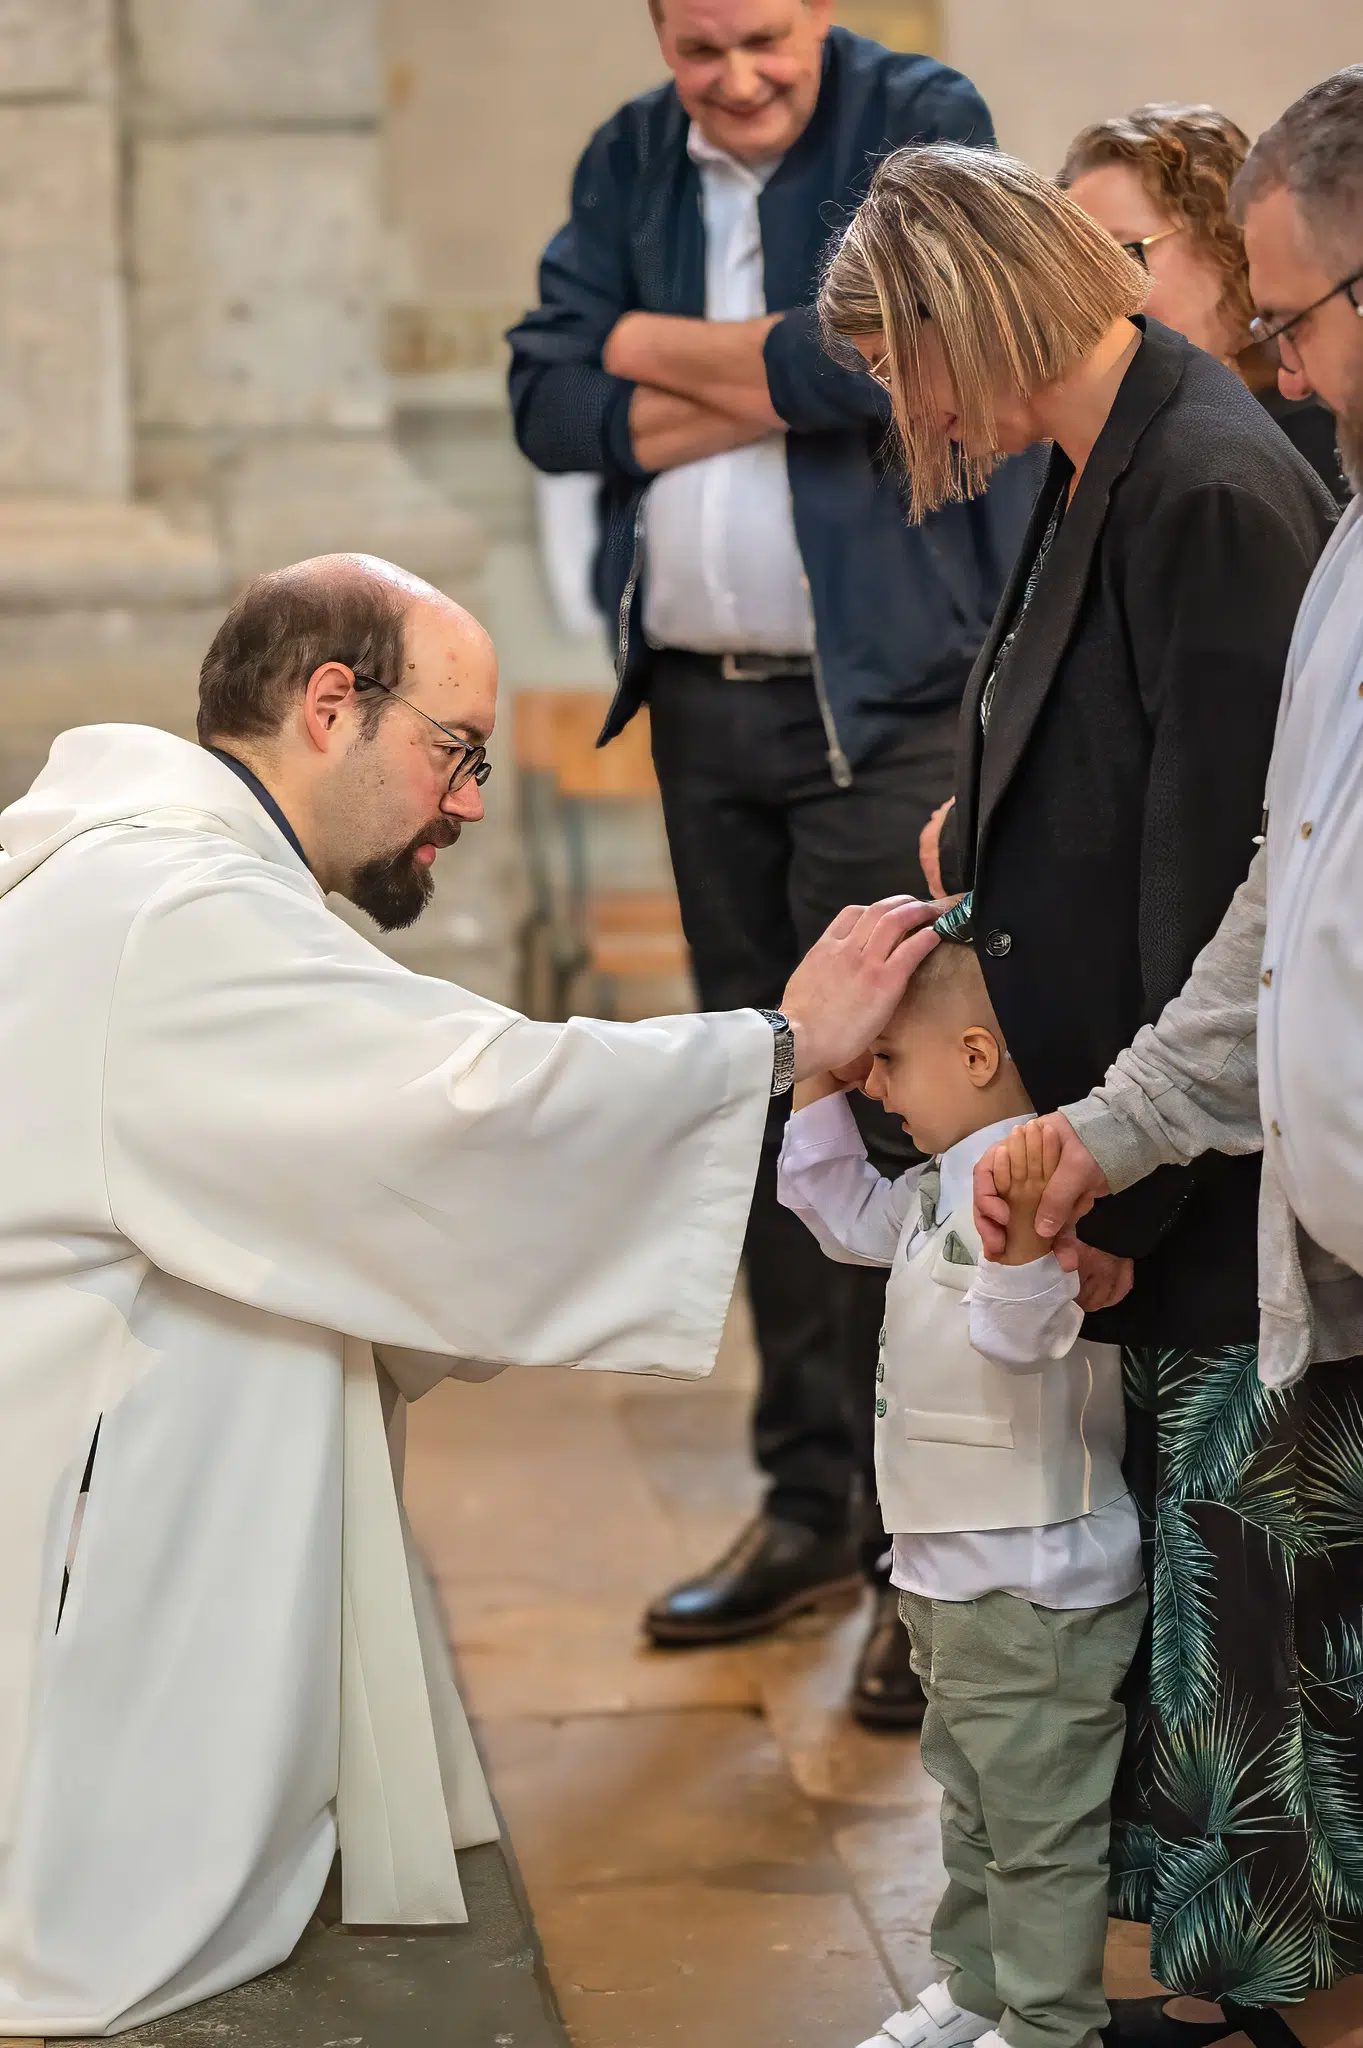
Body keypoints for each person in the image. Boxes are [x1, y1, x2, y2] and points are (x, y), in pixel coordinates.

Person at [0, 550, 942, 2037]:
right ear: (330, 706)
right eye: (456, 751)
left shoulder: (152, 867)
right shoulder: (173, 906)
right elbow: (463, 1105)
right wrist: (778, 1045)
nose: (471, 802)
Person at [819, 138, 1339, 2045]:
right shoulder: (1095, 458)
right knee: (1183, 1649)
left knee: (1244, 1651)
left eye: (899, 361)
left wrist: (1122, 1182)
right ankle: (1199, 1996)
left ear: (962, 310)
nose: (904, 409)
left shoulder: (1201, 478)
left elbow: (1230, 875)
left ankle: (1260, 2006)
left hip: (1205, 1169)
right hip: (1123, 1141)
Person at [507, 0, 1039, 1727]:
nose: (733, 79)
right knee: (758, 1100)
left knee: (901, 1108)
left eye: (761, 40)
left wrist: (646, 351)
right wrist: (757, 373)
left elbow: (871, 364)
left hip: (883, 710)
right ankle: (810, 1504)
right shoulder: (627, 156)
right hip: (700, 712)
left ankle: (916, 1547)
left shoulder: (917, 109)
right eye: (698, 48)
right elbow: (542, 401)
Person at [974, 66, 1363, 2048]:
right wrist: (1106, 1133)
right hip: (1299, 1211)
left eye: (1294, 317)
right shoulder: (1340, 540)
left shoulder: (1222, 486)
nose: (1277, 366)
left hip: (1287, 1230)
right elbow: (1273, 906)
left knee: (1282, 1660)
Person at [779, 908, 1145, 2048]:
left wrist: (1026, 1249)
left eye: (888, 1058)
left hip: (1031, 1577)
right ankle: (979, 1986)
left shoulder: (1045, 1173)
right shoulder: (941, 1180)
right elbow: (837, 1212)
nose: (878, 1084)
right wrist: (814, 1077)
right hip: (948, 1571)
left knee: (1038, 1828)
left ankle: (1048, 2022)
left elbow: (1023, 1342)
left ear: (976, 1055)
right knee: (972, 1799)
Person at [1060, 101, 1351, 507]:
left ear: (1226, 244)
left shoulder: (1311, 433)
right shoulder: (1127, 446)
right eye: (1073, 266)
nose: (1086, 296)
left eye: (1120, 255)